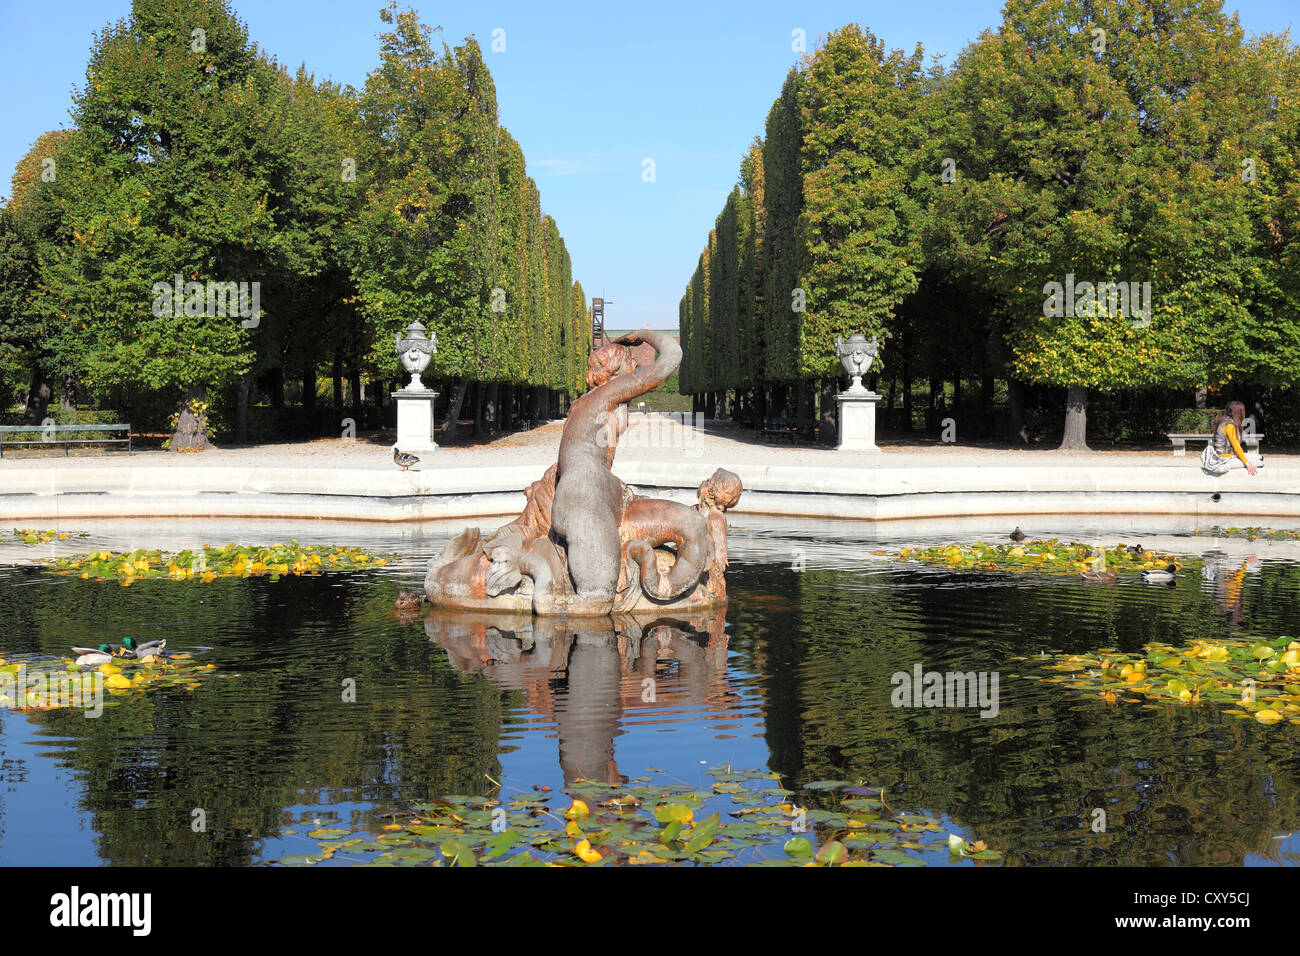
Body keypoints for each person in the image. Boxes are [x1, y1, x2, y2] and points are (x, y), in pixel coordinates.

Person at [1201, 401, 1262, 476]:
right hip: (1222, 460)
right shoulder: (1230, 425)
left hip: (1226, 456)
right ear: (1239, 413)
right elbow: (1236, 446)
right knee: (1259, 461)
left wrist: (1233, 456)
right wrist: (1247, 464)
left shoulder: (1223, 421)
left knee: (1259, 457)